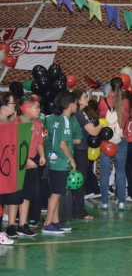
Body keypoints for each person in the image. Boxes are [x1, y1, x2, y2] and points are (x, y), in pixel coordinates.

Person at [43, 90, 82, 234]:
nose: (77, 105)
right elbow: (62, 144)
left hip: (54, 160)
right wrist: (71, 159)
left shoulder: (57, 119)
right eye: (75, 103)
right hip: (60, 161)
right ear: (70, 105)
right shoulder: (65, 121)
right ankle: (47, 224)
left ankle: (55, 221)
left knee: (57, 192)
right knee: (55, 194)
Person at [7, 94, 45, 238]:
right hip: (17, 163)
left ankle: (23, 224)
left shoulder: (37, 124)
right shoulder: (15, 124)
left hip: (32, 162)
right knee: (15, 195)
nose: (39, 110)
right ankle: (11, 225)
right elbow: (12, 147)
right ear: (27, 109)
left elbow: (40, 142)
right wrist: (24, 160)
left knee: (28, 194)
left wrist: (42, 155)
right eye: (37, 108)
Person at [98, 77, 130, 211]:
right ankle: (121, 202)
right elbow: (126, 118)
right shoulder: (126, 102)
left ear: (109, 87)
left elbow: (100, 118)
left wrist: (106, 96)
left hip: (106, 139)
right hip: (121, 138)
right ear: (122, 88)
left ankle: (104, 202)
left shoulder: (103, 101)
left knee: (104, 171)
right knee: (120, 171)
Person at [72, 90, 103, 219]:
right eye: (85, 97)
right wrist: (102, 124)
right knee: (79, 180)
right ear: (78, 100)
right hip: (79, 150)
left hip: (78, 149)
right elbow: (94, 132)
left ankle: (75, 209)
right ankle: (79, 211)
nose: (87, 99)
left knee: (77, 180)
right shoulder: (79, 114)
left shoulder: (79, 114)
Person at [0, 92, 17, 245]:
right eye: (12, 104)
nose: (14, 107)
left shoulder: (10, 125)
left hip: (6, 173)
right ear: (4, 106)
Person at [123, 90, 132, 202]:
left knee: (125, 169)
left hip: (125, 141)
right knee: (131, 170)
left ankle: (129, 194)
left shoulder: (124, 109)